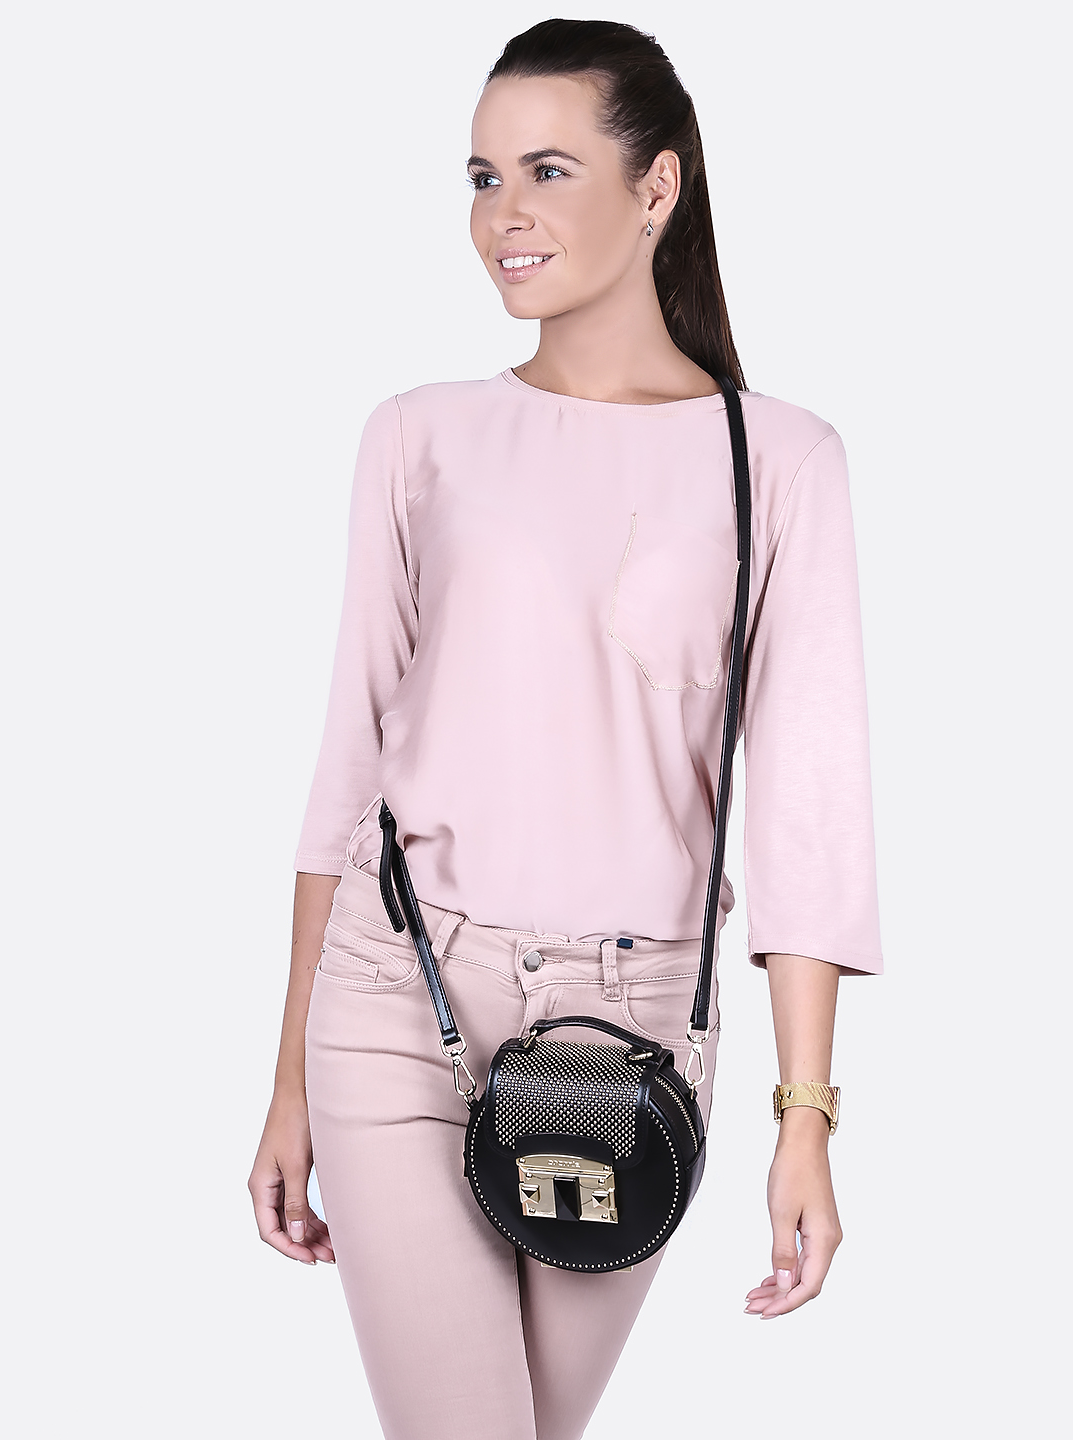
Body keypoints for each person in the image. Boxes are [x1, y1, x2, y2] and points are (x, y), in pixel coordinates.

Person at [247, 18, 881, 1440]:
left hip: (635, 1027)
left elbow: (809, 816)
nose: (503, 217)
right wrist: (287, 1083)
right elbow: (347, 772)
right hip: (399, 991)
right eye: (482, 177)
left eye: (546, 171)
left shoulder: (781, 461)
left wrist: (806, 1119)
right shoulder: (416, 434)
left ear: (658, 188)